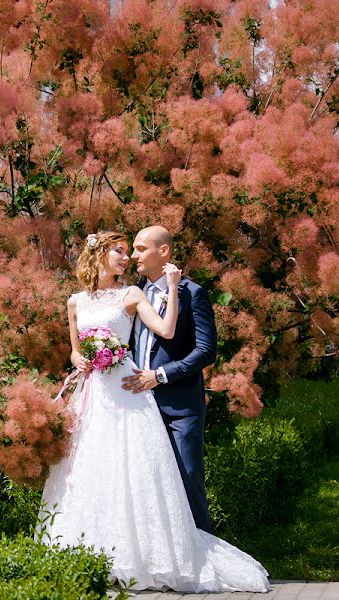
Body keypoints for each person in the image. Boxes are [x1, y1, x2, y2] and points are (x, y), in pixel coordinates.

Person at [36, 231, 270, 593]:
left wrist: (174, 289)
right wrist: (79, 358)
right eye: (121, 251)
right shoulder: (76, 301)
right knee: (97, 470)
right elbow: (74, 348)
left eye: (134, 251)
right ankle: (97, 556)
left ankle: (182, 556)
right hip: (97, 395)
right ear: (97, 254)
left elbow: (170, 330)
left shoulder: (135, 293)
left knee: (164, 477)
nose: (128, 257)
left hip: (134, 391)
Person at [123, 225, 215, 533]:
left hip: (181, 407)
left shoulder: (192, 293)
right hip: (139, 406)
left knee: (188, 479)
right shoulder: (133, 294)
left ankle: (203, 555)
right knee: (147, 485)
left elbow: (205, 351)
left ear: (163, 252)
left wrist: (160, 375)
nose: (133, 255)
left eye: (139, 248)